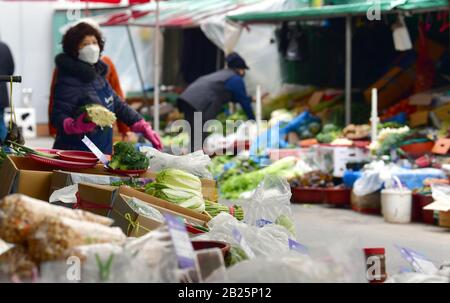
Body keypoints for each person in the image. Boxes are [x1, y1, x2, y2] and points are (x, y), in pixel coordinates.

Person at [51, 22, 162, 154]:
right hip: (76, 155)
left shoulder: (98, 75)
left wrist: (140, 124)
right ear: (74, 49)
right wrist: (76, 125)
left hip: (101, 152)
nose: (91, 47)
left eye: (94, 42)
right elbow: (58, 115)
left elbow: (116, 103)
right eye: (85, 44)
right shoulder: (68, 78)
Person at [177, 52, 255, 152]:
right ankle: (196, 160)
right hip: (200, 103)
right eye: (243, 70)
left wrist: (250, 99)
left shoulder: (223, 75)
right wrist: (253, 121)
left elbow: (233, 96)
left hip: (188, 99)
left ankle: (191, 158)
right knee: (200, 134)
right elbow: (244, 103)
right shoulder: (235, 79)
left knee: (195, 134)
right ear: (239, 69)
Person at [48, 55, 132, 140]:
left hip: (103, 126)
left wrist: (124, 128)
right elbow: (55, 98)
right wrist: (53, 129)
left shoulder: (106, 62)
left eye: (94, 42)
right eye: (85, 43)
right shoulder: (64, 65)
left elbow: (117, 96)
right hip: (72, 127)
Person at [0, 40, 15, 142]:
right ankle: (7, 151)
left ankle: (6, 151)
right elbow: (11, 70)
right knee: (0, 120)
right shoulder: (5, 47)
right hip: (2, 91)